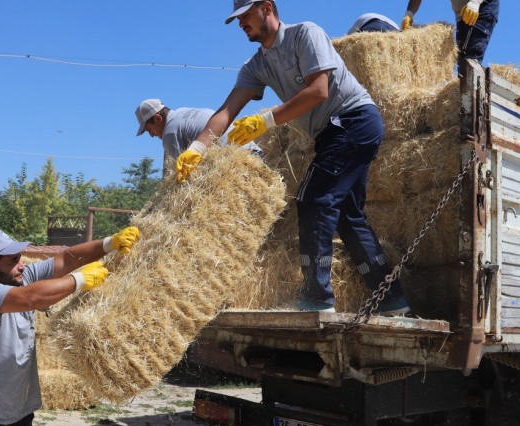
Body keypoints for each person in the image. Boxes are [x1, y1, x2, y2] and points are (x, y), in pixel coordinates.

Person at [175, 0, 409, 315]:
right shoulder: (256, 66)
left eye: (245, 15)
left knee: (313, 199)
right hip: (332, 132)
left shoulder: (305, 34)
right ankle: (391, 299)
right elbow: (227, 111)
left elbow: (319, 90)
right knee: (347, 215)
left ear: (266, 8)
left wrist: (265, 121)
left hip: (353, 119)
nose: (241, 23)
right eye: (237, 19)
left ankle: (317, 297)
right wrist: (198, 148)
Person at [0, 226, 139, 426]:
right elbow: (30, 298)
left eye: (19, 258)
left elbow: (66, 259)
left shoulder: (21, 278)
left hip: (18, 417)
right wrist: (80, 280)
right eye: (13, 261)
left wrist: (109, 243)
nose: (22, 266)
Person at [135, 98, 263, 176]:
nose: (151, 135)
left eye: (149, 130)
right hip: (254, 153)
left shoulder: (170, 132)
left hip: (237, 166)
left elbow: (183, 174)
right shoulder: (182, 112)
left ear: (158, 118)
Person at [400, 0, 499, 69]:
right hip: (463, 15)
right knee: (462, 62)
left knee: (469, 59)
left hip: (480, 8)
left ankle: (476, 91)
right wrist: (409, 13)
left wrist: (475, 2)